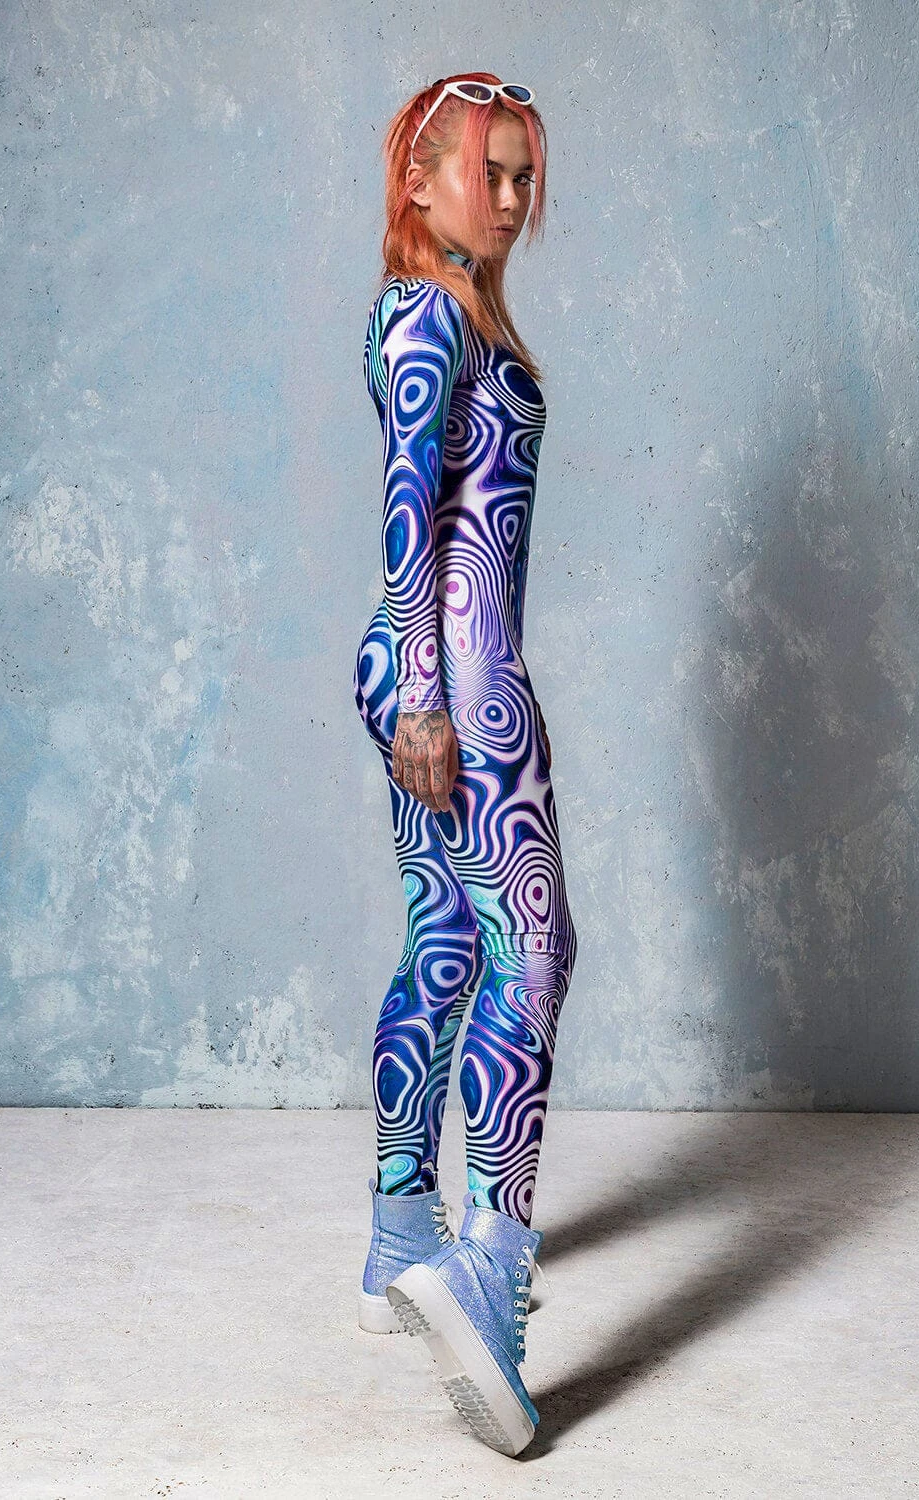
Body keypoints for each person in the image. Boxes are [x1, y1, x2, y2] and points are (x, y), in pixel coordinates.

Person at [351, 73, 578, 1457]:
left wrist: (405, 686)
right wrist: (429, 701)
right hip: (460, 668)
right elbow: (409, 515)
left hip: (419, 666)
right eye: (484, 171)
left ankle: (398, 1235)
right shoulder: (431, 313)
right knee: (534, 953)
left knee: (445, 943)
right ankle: (488, 1267)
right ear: (420, 177)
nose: (507, 197)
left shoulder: (446, 308)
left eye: (520, 175)